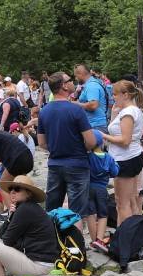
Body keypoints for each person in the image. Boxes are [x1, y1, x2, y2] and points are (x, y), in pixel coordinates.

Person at [38, 72, 98, 220]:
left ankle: (54, 240)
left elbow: (42, 143)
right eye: (70, 80)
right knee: (76, 213)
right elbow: (91, 141)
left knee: (52, 210)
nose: (73, 82)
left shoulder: (44, 111)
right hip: (77, 164)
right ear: (64, 86)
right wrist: (78, 148)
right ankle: (75, 243)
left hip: (55, 164)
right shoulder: (76, 109)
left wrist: (57, 148)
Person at [100, 80, 143, 227]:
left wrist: (102, 135)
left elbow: (125, 140)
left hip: (125, 159)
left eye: (115, 94)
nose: (113, 98)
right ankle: (134, 233)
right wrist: (114, 114)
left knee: (122, 203)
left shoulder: (128, 113)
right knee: (131, 200)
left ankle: (125, 237)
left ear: (125, 95)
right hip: (131, 156)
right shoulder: (132, 110)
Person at [75, 64, 109, 137]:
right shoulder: (90, 84)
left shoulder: (91, 86)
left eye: (76, 76)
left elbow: (93, 105)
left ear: (81, 74)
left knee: (96, 148)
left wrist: (75, 104)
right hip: (95, 125)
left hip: (96, 125)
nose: (76, 78)